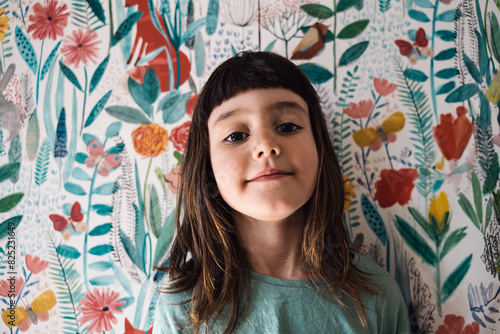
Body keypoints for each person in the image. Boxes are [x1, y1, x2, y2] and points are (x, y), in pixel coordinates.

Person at [153, 51, 410, 333]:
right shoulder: (184, 307)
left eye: (287, 126)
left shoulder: (377, 297)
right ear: (207, 166)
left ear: (320, 149)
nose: (266, 145)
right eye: (236, 135)